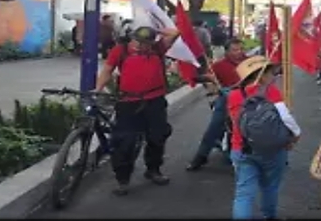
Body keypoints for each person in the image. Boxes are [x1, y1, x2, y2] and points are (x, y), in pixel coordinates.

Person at [95, 26, 180, 196]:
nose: (140, 46)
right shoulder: (120, 51)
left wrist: (155, 29)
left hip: (154, 100)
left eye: (145, 43)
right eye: (137, 41)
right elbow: (107, 70)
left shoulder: (158, 48)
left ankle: (153, 169)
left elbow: (175, 32)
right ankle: (123, 180)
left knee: (157, 137)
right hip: (128, 102)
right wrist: (98, 89)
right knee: (124, 142)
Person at [226, 55, 302, 220]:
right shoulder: (272, 92)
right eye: (271, 73)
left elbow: (234, 122)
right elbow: (287, 120)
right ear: (263, 75)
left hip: (241, 148)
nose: (274, 76)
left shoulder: (233, 95)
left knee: (244, 193)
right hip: (273, 150)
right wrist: (295, 137)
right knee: (270, 187)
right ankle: (270, 217)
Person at [187, 38, 249, 171]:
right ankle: (201, 156)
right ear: (226, 51)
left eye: (240, 49)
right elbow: (198, 77)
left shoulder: (249, 62)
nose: (239, 52)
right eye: (234, 50)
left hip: (247, 100)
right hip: (226, 99)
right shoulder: (218, 66)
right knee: (214, 127)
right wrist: (209, 78)